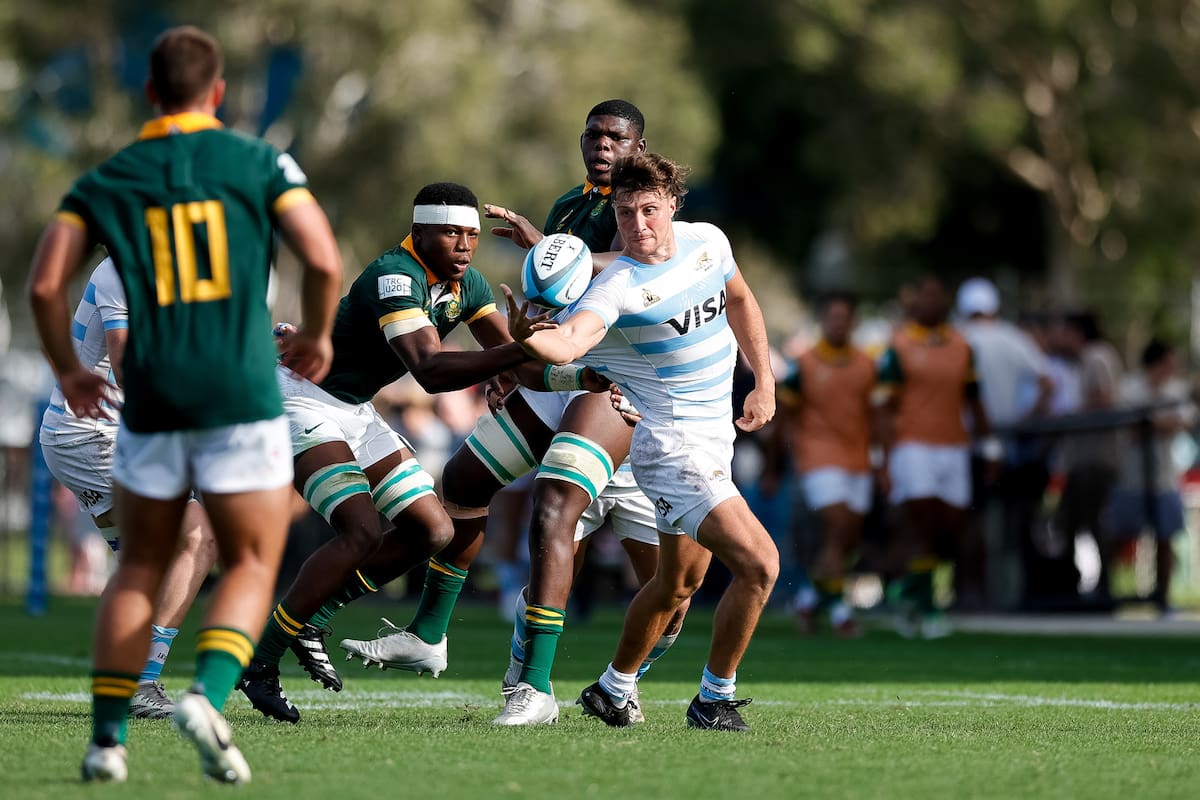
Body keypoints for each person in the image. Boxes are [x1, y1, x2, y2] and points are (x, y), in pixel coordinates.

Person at [28, 25, 342, 784]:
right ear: (220, 92)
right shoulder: (260, 162)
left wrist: (67, 370)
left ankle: (107, 742)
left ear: (148, 92)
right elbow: (323, 258)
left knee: (144, 563)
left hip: (152, 408)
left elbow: (42, 285)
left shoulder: (111, 178)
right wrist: (318, 336)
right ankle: (204, 693)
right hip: (235, 399)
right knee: (248, 557)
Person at [337, 101, 689, 721]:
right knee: (468, 483)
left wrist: (548, 253)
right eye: (593, 134)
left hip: (619, 386)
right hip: (571, 377)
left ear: (639, 146)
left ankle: (619, 681)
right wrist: (516, 359)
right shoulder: (568, 206)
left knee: (673, 596)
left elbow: (638, 273)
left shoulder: (642, 216)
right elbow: (548, 304)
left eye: (616, 137)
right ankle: (463, 652)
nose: (602, 145)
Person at [237, 182, 537, 723]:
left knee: (433, 530)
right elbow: (431, 370)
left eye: (471, 235)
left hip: (355, 410)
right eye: (451, 233)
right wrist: (517, 353)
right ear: (418, 232)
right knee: (361, 532)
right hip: (301, 400)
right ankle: (261, 662)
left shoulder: (466, 284)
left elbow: (517, 357)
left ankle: (311, 618)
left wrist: (586, 372)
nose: (464, 246)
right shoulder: (394, 275)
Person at [502, 152, 779, 731]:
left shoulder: (708, 241)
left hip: (715, 439)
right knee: (760, 566)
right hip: (672, 450)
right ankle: (715, 698)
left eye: (649, 210)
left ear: (673, 204)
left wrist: (764, 380)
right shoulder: (617, 288)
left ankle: (614, 687)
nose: (637, 224)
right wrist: (529, 338)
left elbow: (741, 299)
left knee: (678, 584)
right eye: (625, 213)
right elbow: (570, 340)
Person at [38, 257, 218, 720]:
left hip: (91, 434)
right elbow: (127, 371)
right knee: (197, 536)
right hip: (91, 436)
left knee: (142, 562)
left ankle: (117, 680)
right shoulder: (123, 269)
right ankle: (138, 682)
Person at [875, 276, 995, 638]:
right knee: (923, 521)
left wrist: (992, 447)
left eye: (936, 295)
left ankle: (906, 591)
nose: (931, 302)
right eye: (924, 295)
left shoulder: (961, 345)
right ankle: (928, 609)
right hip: (913, 445)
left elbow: (974, 398)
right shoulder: (899, 346)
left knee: (951, 528)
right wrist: (883, 458)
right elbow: (884, 408)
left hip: (954, 446)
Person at [773, 292, 877, 637]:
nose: (839, 324)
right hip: (818, 455)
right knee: (838, 527)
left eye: (844, 318)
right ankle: (840, 612)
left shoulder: (866, 364)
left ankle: (807, 599)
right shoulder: (804, 363)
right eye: (833, 317)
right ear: (823, 321)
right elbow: (785, 415)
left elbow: (876, 414)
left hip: (858, 458)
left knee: (848, 538)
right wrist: (775, 463)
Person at [955, 277, 1054, 609]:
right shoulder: (1013, 339)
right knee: (1011, 522)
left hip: (968, 444)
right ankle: (1009, 594)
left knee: (972, 521)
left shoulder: (958, 338)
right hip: (1008, 443)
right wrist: (1025, 418)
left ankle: (973, 593)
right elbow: (1047, 383)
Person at [1109, 339, 1195, 613]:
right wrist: (1158, 423)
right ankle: (1107, 595)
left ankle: (1163, 600)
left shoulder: (1176, 390)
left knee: (1166, 538)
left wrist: (1151, 423)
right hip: (1131, 478)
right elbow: (1130, 428)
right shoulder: (1129, 388)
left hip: (1165, 478)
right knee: (1120, 537)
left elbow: (1183, 421)